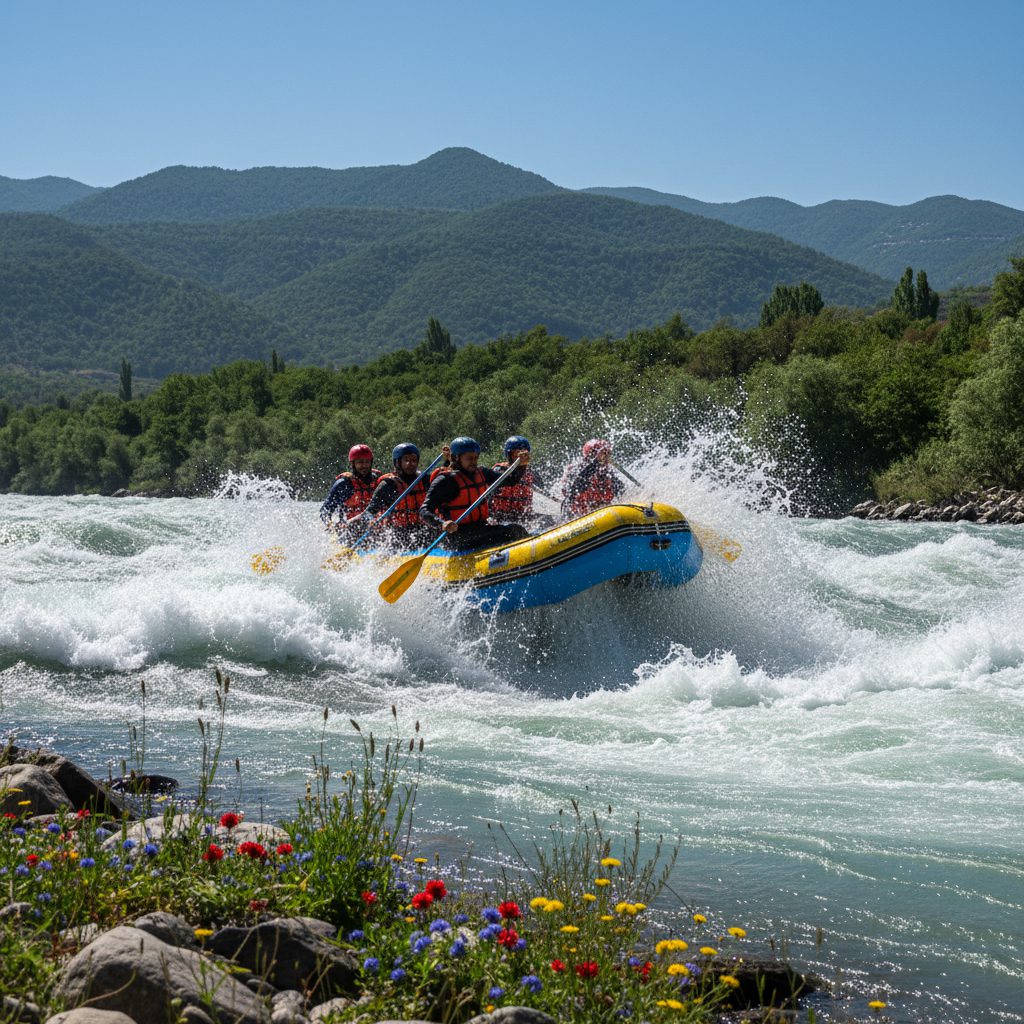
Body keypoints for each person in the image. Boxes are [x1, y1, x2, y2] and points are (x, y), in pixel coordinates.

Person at [420, 436, 530, 551]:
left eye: (476, 458)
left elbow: (511, 480)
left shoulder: (483, 473)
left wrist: (521, 465)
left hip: (481, 528)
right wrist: (442, 523)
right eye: (469, 458)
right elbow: (424, 510)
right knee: (506, 534)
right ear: (455, 458)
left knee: (516, 530)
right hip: (458, 536)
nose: (474, 462)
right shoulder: (445, 481)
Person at [358, 442, 434, 547]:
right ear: (397, 462)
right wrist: (356, 528)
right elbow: (370, 512)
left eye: (413, 460)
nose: (410, 464)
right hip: (397, 536)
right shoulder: (388, 484)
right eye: (406, 460)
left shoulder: (425, 480)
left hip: (424, 531)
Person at [490, 435, 550, 529]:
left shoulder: (531, 473)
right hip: (500, 518)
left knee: (549, 520)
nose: (520, 457)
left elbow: (544, 492)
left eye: (523, 453)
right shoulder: (499, 470)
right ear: (509, 455)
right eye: (516, 453)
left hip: (523, 516)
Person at [320, 444, 382, 533]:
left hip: (374, 529)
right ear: (353, 464)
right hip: (349, 530)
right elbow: (325, 511)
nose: (364, 465)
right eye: (360, 462)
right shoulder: (343, 484)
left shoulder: (378, 481)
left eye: (367, 462)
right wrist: (331, 525)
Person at [560, 438, 626, 518]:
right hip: (575, 515)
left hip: (599, 513)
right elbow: (578, 483)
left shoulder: (608, 475)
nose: (606, 458)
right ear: (591, 456)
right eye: (603, 455)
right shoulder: (577, 471)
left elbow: (621, 492)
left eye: (608, 454)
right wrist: (597, 462)